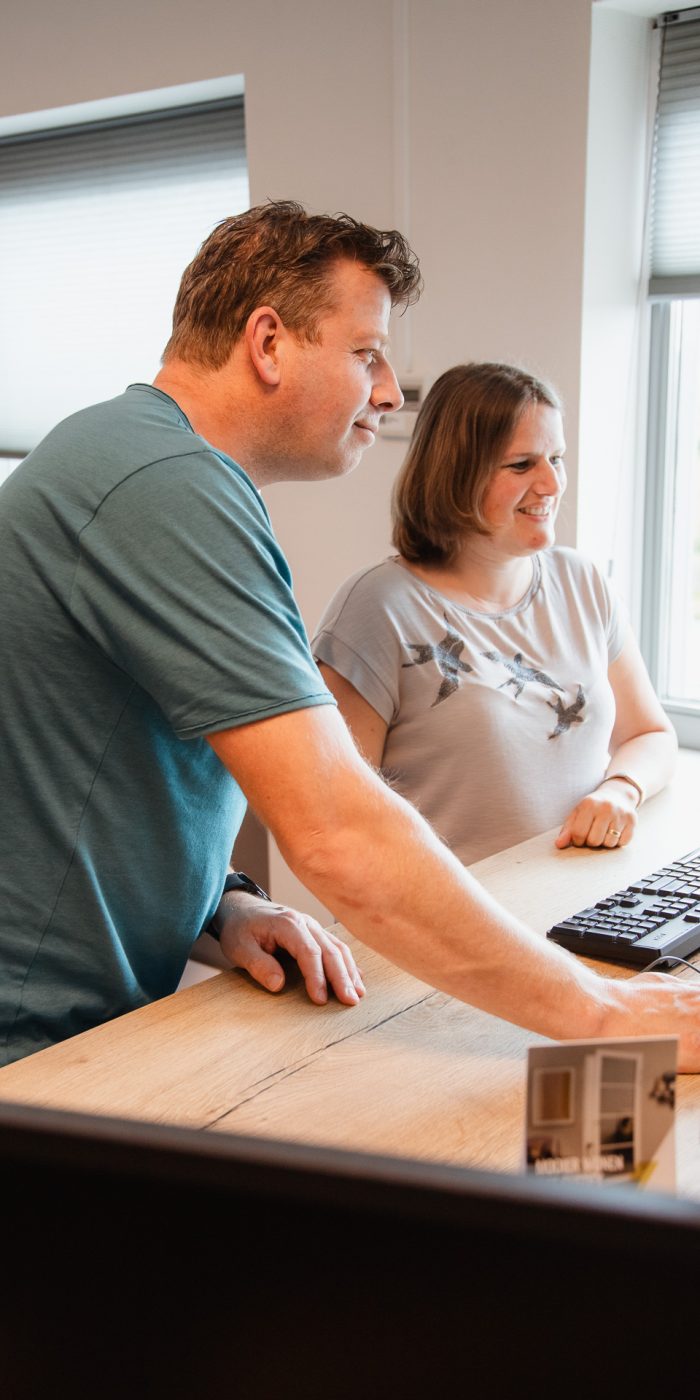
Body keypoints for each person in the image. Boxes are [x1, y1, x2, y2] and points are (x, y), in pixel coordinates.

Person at [2, 205, 700, 1072]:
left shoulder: (141, 462)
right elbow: (337, 828)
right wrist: (605, 1009)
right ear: (268, 343)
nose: (388, 391)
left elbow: (83, 756)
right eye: (366, 353)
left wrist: (219, 906)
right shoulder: (164, 485)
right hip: (35, 1044)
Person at [313, 362, 676, 865]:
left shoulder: (582, 582)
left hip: (581, 903)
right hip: (451, 927)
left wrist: (621, 790)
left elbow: (649, 735)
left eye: (557, 458)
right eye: (522, 464)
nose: (551, 484)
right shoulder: (378, 608)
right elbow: (338, 821)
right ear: (457, 472)